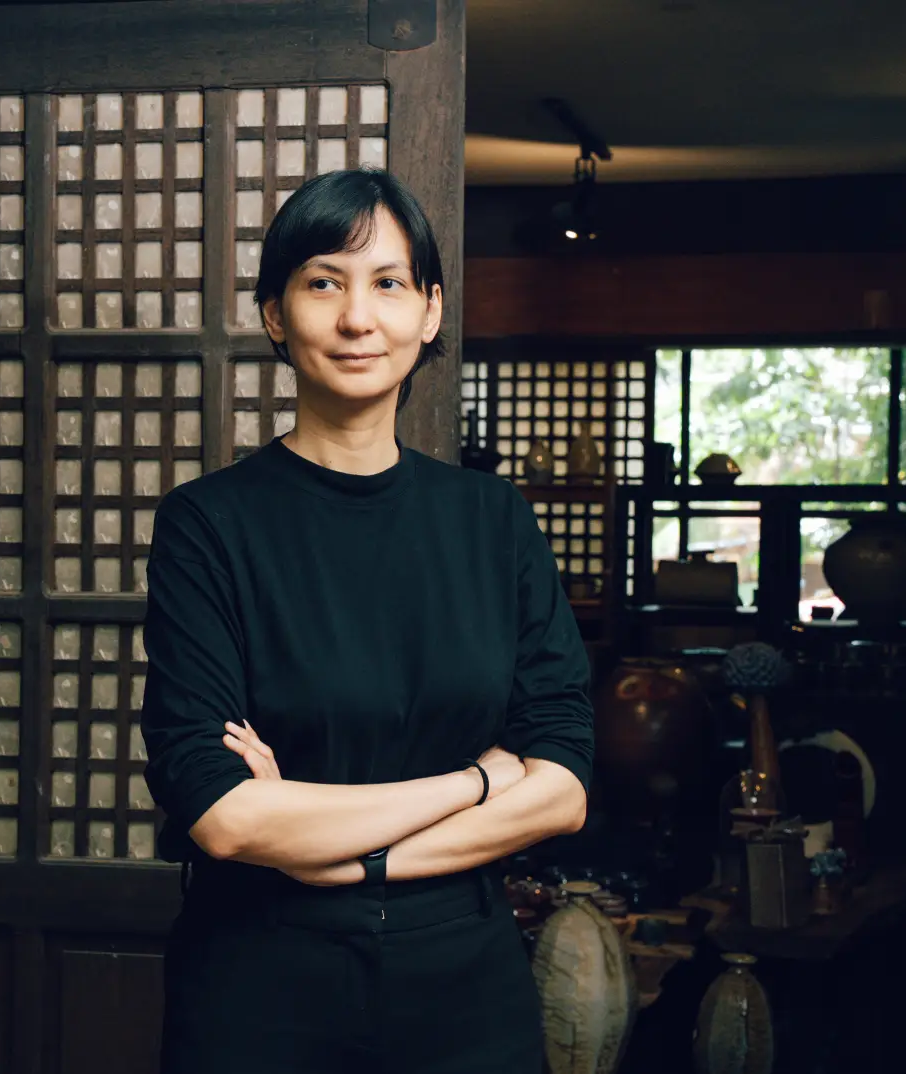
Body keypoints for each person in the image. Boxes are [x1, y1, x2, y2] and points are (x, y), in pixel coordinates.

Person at [140, 168, 595, 1074]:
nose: (358, 319)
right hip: (262, 980)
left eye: (388, 283)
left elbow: (565, 785)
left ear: (429, 313)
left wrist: (339, 856)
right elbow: (225, 817)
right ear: (276, 315)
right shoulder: (209, 524)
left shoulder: (492, 520)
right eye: (323, 282)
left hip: (468, 981)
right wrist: (477, 778)